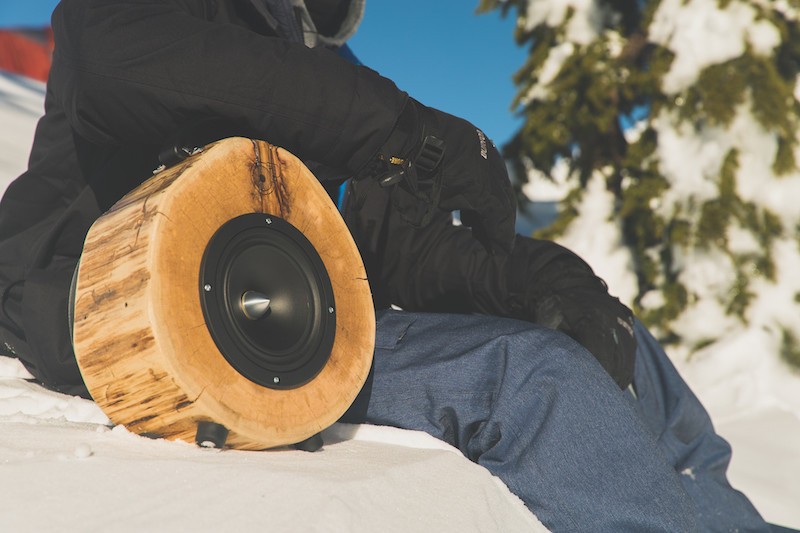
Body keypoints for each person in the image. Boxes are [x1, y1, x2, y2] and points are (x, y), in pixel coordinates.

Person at [0, 1, 774, 531]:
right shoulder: (150, 20)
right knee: (534, 376)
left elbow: (388, 233)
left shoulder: (309, 60)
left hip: (286, 310)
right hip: (111, 301)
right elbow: (125, 68)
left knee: (618, 341)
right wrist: (404, 130)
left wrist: (538, 278)